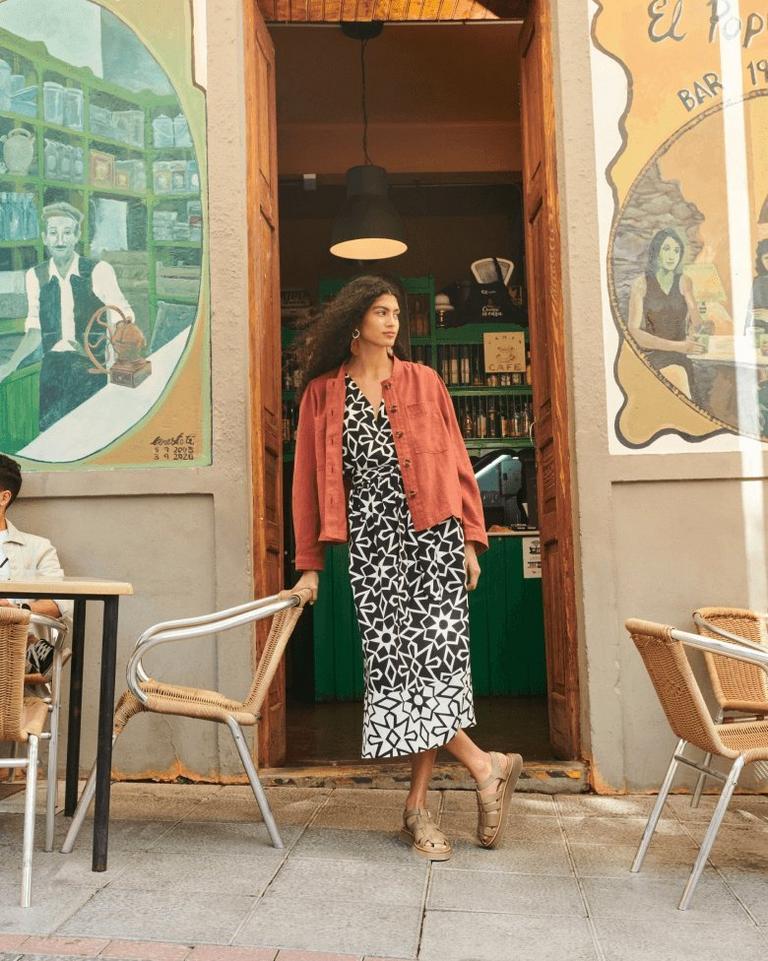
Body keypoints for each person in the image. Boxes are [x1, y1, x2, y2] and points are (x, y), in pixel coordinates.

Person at [287, 275, 523, 860]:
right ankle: (484, 764)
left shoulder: (426, 382)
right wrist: (310, 564)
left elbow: (459, 465)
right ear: (354, 323)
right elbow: (306, 485)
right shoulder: (322, 394)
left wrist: (470, 538)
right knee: (397, 675)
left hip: (433, 542)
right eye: (379, 312)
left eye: (396, 313)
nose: (392, 322)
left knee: (434, 673)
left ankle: (419, 812)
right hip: (372, 549)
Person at [0, 201, 135, 432]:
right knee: (51, 434)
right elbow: (35, 329)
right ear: (44, 237)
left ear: (77, 236)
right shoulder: (36, 276)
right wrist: (10, 365)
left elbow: (120, 318)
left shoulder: (98, 270)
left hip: (92, 367)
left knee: (92, 433)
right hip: (53, 369)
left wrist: (114, 364)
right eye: (53, 233)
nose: (60, 240)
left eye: (67, 233)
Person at [0, 454, 72, 674]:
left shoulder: (37, 548)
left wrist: (17, 611)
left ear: (4, 498)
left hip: (17, 651)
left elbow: (62, 603)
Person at [627, 227, 704, 398]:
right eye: (666, 249)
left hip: (682, 355)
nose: (672, 256)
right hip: (654, 354)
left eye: (676, 251)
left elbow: (697, 324)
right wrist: (679, 346)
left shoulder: (685, 281)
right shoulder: (641, 284)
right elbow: (634, 332)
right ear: (656, 252)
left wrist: (694, 309)